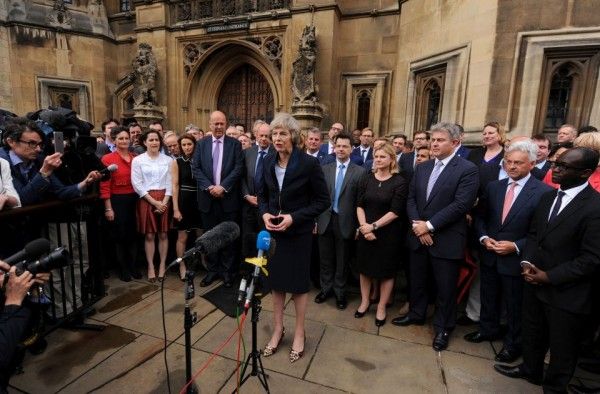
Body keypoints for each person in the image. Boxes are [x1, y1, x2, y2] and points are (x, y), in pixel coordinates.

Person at [493, 147, 600, 393]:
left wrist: (549, 276)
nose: (555, 169)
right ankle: (531, 370)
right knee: (533, 332)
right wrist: (527, 263)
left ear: (585, 173)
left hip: (567, 292)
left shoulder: (594, 207)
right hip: (534, 281)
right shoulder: (548, 197)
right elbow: (533, 235)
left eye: (564, 166)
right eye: (555, 163)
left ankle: (554, 386)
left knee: (563, 345)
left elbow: (592, 259)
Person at [393, 122, 479, 352]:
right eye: (433, 139)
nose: (434, 143)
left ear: (455, 143)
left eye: (440, 140)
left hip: (446, 238)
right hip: (418, 236)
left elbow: (461, 204)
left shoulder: (467, 169)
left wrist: (429, 226)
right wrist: (418, 226)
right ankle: (416, 314)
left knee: (445, 288)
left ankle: (443, 327)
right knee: (417, 281)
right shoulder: (422, 167)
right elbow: (411, 199)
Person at [465, 141, 553, 363]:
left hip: (516, 259)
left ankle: (513, 344)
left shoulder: (544, 192)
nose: (511, 167)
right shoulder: (494, 187)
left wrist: (515, 246)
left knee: (514, 305)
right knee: (488, 295)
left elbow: (541, 232)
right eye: (508, 162)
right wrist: (484, 238)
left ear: (532, 164)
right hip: (489, 254)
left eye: (518, 163)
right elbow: (481, 217)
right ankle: (487, 329)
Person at [258, 113, 329, 363]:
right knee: (276, 284)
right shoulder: (267, 161)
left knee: (298, 286)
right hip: (275, 234)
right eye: (274, 134)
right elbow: (263, 195)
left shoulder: (308, 164)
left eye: (282, 134)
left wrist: (294, 217)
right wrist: (265, 214)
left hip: (298, 234)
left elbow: (323, 201)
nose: (276, 138)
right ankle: (278, 329)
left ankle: (300, 332)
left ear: (293, 136)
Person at [355, 143, 407, 326]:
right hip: (366, 231)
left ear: (391, 159)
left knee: (386, 272)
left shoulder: (399, 181)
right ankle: (364, 301)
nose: (378, 160)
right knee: (365, 269)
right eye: (376, 156)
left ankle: (381, 307)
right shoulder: (367, 178)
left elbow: (395, 211)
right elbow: (359, 204)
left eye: (382, 157)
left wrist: (373, 227)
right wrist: (363, 226)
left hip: (388, 235)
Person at [192, 110, 243, 288]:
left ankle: (227, 272)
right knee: (210, 237)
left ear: (226, 124)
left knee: (228, 237)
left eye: (222, 123)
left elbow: (238, 168)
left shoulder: (235, 144)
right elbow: (196, 168)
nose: (219, 126)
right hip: (208, 199)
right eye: (216, 123)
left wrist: (223, 187)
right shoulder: (201, 144)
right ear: (210, 124)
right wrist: (210, 187)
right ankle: (212, 271)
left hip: (228, 199)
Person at [315, 133, 366, 310]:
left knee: (342, 260)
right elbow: (317, 197)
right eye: (338, 146)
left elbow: (361, 202)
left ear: (351, 149)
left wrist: (359, 226)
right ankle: (325, 289)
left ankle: (340, 292)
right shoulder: (324, 169)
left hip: (346, 222)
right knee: (325, 258)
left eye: (345, 146)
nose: (341, 149)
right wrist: (315, 221)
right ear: (334, 147)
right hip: (324, 220)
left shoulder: (359, 172)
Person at [0, 118, 101, 206]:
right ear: (11, 142)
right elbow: (22, 199)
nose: (38, 149)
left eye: (40, 144)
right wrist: (43, 173)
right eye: (32, 143)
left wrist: (85, 182)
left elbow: (60, 191)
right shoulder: (2, 163)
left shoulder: (39, 160)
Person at [100, 126, 141, 282]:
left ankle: (133, 266)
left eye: (126, 138)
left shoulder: (136, 157)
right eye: (120, 138)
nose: (124, 141)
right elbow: (104, 185)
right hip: (117, 201)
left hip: (135, 200)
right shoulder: (107, 159)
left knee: (133, 235)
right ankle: (123, 268)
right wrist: (108, 208)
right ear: (114, 140)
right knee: (120, 236)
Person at [131, 129, 173, 282]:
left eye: (157, 140)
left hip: (165, 198)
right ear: (144, 142)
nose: (154, 142)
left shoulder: (168, 160)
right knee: (149, 235)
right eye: (151, 140)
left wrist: (164, 202)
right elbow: (137, 184)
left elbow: (170, 182)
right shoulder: (138, 160)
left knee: (163, 234)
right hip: (146, 199)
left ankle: (162, 266)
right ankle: (150, 266)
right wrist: (154, 202)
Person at [172, 135, 202, 280]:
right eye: (183, 145)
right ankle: (181, 265)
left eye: (189, 144)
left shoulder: (200, 160)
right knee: (182, 236)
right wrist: (176, 209)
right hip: (184, 201)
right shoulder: (177, 162)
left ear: (194, 144)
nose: (186, 147)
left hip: (199, 201)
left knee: (201, 235)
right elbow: (175, 186)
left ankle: (202, 261)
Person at [241, 121, 272, 261]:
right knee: (248, 239)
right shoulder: (247, 153)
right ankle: (248, 273)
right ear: (256, 136)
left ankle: (263, 276)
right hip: (248, 206)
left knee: (265, 241)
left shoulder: (276, 154)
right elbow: (241, 177)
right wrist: (246, 195)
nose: (264, 138)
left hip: (268, 208)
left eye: (267, 136)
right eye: (261, 135)